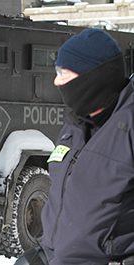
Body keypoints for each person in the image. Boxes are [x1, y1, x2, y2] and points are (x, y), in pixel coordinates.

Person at [19, 29, 134, 265]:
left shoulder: (129, 126)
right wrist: (45, 255)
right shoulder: (75, 127)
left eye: (64, 73)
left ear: (93, 76)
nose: (56, 81)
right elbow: (66, 204)